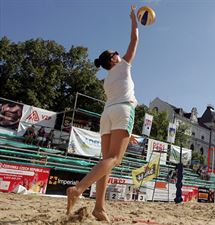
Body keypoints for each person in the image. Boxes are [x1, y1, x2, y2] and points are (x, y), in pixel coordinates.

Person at [66, 6, 139, 222]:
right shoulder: (124, 66)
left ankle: (99, 207)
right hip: (123, 110)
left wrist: (126, 130)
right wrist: (134, 20)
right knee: (114, 159)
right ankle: (78, 189)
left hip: (107, 114)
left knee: (105, 160)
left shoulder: (107, 79)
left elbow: (116, 103)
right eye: (116, 53)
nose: (119, 53)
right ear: (113, 60)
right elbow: (134, 39)